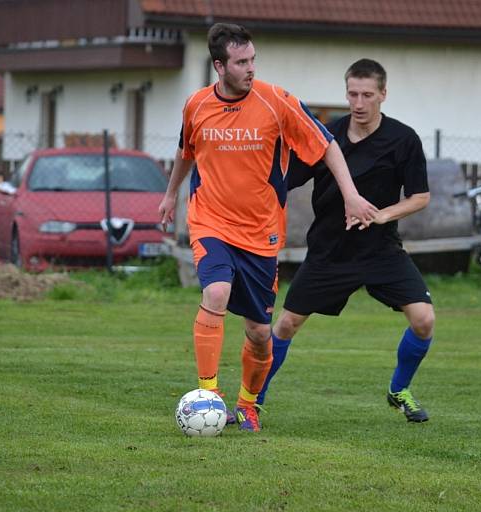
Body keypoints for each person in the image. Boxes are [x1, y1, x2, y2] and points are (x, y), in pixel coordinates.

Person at [158, 24, 378, 432]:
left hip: (261, 233)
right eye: (241, 62)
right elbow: (186, 150)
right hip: (211, 220)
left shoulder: (277, 101)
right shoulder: (196, 105)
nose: (250, 68)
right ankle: (209, 395)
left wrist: (350, 194)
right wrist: (172, 194)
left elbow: (327, 144)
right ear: (219, 65)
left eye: (253, 59)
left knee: (260, 333)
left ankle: (248, 405)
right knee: (216, 291)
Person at [256, 58, 436, 423]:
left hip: (381, 249)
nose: (359, 102)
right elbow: (287, 179)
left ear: (383, 94)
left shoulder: (404, 139)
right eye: (352, 93)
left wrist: (381, 215)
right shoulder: (325, 136)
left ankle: (398, 389)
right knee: (286, 324)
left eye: (367, 94)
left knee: (424, 320)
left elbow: (420, 197)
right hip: (329, 251)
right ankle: (252, 400)